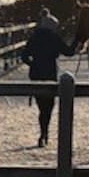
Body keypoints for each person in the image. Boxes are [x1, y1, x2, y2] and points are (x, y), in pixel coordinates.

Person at [21, 8, 75, 147]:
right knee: (48, 107)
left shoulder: (34, 37)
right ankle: (44, 134)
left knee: (41, 107)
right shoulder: (54, 38)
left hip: (36, 75)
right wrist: (77, 42)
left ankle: (43, 134)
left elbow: (24, 56)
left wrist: (33, 64)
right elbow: (69, 52)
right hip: (50, 75)